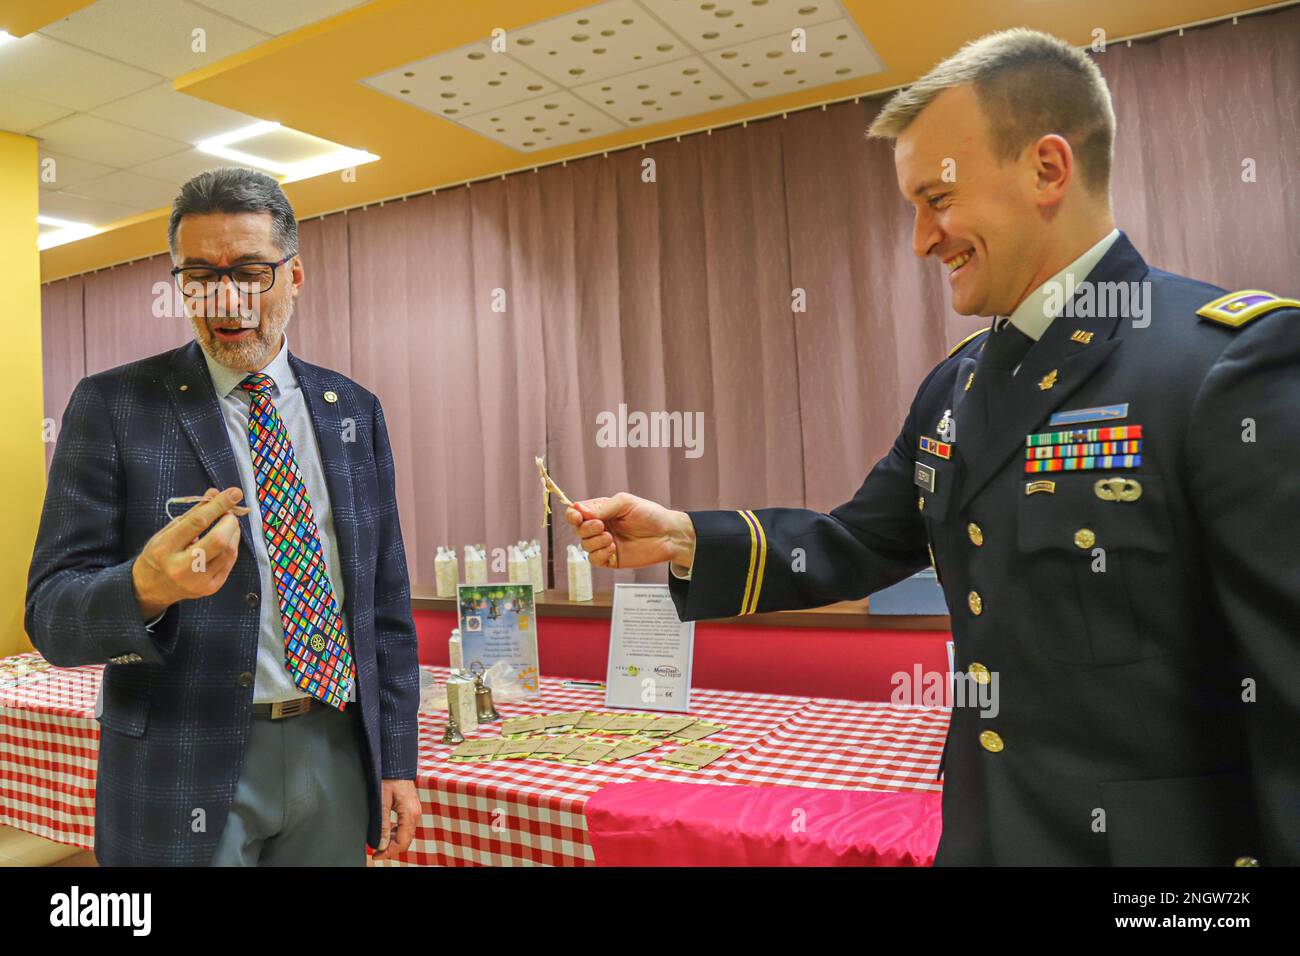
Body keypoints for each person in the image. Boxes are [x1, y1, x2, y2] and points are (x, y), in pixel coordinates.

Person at [566, 28, 1299, 866]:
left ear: (1048, 170)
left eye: (938, 199)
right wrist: (685, 535)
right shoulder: (960, 385)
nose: (921, 239)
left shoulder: (1223, 361)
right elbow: (859, 541)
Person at [26, 167, 422, 866]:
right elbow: (52, 617)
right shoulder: (115, 406)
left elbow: (384, 606)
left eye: (250, 271)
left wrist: (396, 761)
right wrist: (144, 587)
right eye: (199, 275)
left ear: (295, 276)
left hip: (332, 749)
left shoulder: (353, 411)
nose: (225, 297)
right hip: (181, 763)